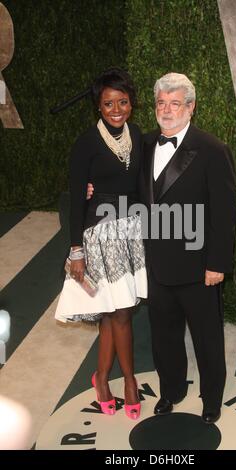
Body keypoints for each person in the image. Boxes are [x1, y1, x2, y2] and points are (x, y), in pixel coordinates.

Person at [139, 73, 236, 423]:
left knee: (207, 339)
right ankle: (171, 392)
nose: (166, 110)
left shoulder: (212, 149)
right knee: (163, 337)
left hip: (198, 267)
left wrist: (217, 264)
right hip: (157, 264)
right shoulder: (145, 143)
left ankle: (211, 400)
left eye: (174, 103)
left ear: (190, 108)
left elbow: (225, 215)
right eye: (161, 103)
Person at [55, 67, 147, 420]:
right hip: (98, 236)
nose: (116, 109)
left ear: (131, 104)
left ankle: (101, 380)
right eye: (108, 103)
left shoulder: (137, 135)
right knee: (121, 313)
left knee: (111, 313)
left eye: (123, 101)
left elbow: (141, 188)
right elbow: (78, 199)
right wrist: (75, 250)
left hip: (130, 234)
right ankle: (129, 383)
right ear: (98, 106)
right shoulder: (86, 144)